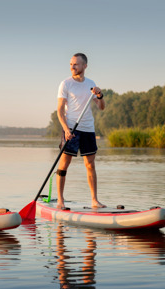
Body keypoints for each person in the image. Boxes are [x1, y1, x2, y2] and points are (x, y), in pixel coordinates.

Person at [56, 53, 106, 210]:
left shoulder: (91, 84)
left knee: (90, 165)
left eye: (76, 64)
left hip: (88, 128)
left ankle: (94, 200)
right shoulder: (66, 84)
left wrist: (99, 95)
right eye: (71, 64)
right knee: (64, 164)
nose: (72, 67)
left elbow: (101, 106)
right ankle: (60, 200)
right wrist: (66, 129)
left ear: (85, 66)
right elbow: (59, 110)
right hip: (71, 128)